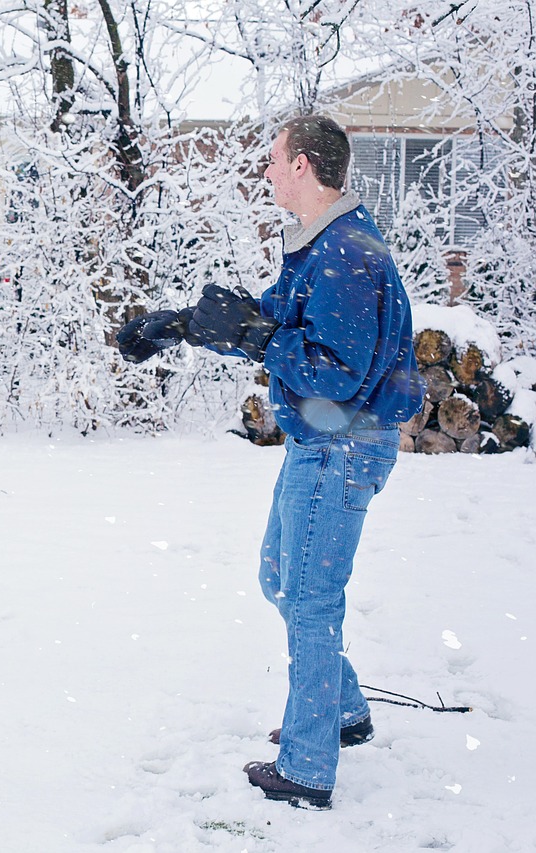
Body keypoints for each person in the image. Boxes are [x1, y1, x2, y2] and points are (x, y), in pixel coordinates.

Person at [116, 115, 424, 808]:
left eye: (274, 160)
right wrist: (182, 325)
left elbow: (334, 372)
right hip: (326, 442)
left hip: (342, 443)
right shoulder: (325, 245)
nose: (266, 171)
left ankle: (308, 767)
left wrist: (259, 340)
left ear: (306, 166)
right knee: (280, 576)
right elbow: (274, 322)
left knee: (310, 598)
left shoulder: (346, 253)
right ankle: (342, 710)